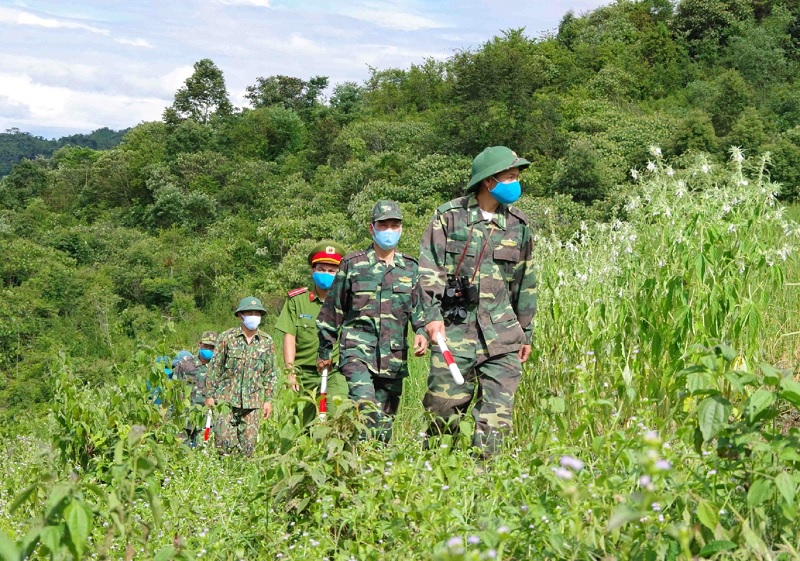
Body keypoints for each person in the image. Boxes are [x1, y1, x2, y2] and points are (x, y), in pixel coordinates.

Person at [418, 146, 538, 456]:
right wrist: (431, 317)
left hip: (503, 335)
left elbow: (525, 282)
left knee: (496, 420)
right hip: (454, 332)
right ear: (488, 180)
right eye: (510, 177)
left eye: (517, 177)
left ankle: (484, 478)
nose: (515, 183)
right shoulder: (449, 217)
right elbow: (430, 270)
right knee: (443, 412)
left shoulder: (519, 225)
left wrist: (526, 333)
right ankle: (434, 470)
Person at [317, 200, 428, 442]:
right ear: (372, 228)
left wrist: (421, 332)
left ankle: (368, 462)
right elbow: (332, 310)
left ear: (401, 229)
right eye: (383, 225)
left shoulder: (410, 268)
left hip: (393, 358)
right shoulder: (353, 265)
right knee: (365, 408)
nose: (389, 230)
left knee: (384, 427)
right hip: (357, 352)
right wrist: (325, 349)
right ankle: (354, 456)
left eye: (394, 225)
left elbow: (419, 310)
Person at [275, 241, 350, 426]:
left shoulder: (347, 302)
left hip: (334, 373)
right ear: (312, 270)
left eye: (332, 271)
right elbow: (289, 336)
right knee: (303, 427)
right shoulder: (297, 301)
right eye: (321, 269)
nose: (326, 274)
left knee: (337, 418)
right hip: (303, 375)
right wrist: (290, 372)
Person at [204, 297, 278, 455]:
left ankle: (243, 469)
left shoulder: (266, 341)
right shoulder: (227, 338)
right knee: (223, 443)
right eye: (249, 313)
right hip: (225, 400)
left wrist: (268, 400)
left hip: (252, 403)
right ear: (240, 315)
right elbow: (214, 368)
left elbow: (270, 373)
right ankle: (224, 468)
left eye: (257, 313)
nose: (254, 316)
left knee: (248, 447)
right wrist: (209, 395)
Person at [173, 332, 217, 445]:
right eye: (205, 346)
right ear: (199, 344)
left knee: (204, 449)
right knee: (180, 449)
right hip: (184, 419)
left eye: (211, 347)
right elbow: (173, 390)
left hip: (207, 420)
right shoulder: (185, 364)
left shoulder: (218, 367)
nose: (208, 349)